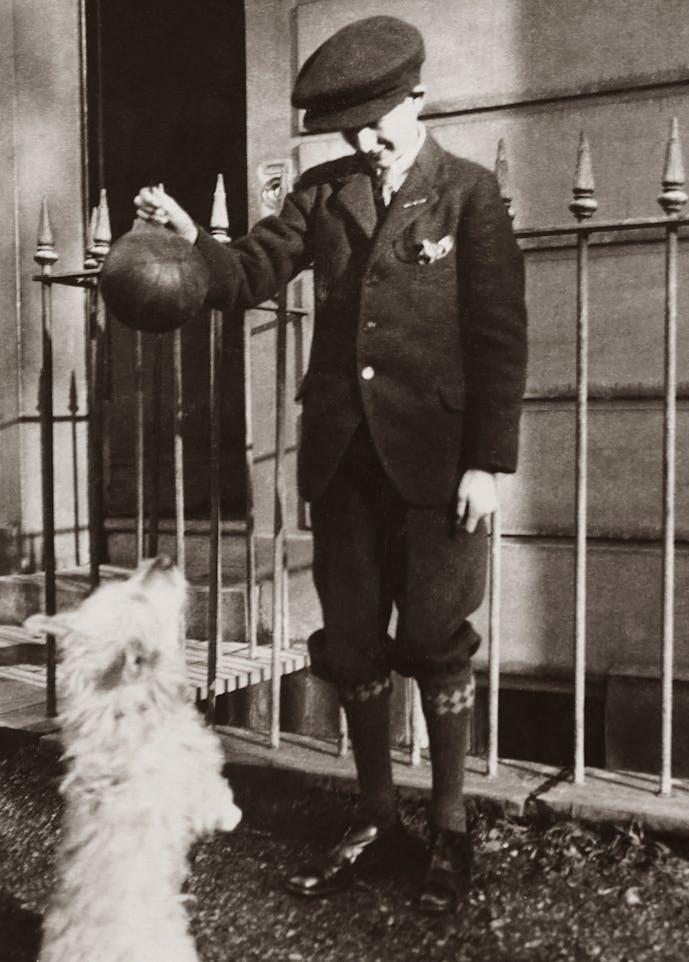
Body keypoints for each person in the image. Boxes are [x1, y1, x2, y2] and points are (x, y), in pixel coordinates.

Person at [135, 15, 527, 915]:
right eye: (353, 128)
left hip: (439, 470)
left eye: (381, 120)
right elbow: (243, 280)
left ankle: (451, 828)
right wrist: (197, 237)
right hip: (344, 461)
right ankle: (379, 818)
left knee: (435, 640)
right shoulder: (324, 192)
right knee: (352, 643)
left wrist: (488, 464)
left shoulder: (468, 195)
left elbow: (501, 340)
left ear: (418, 97)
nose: (368, 140)